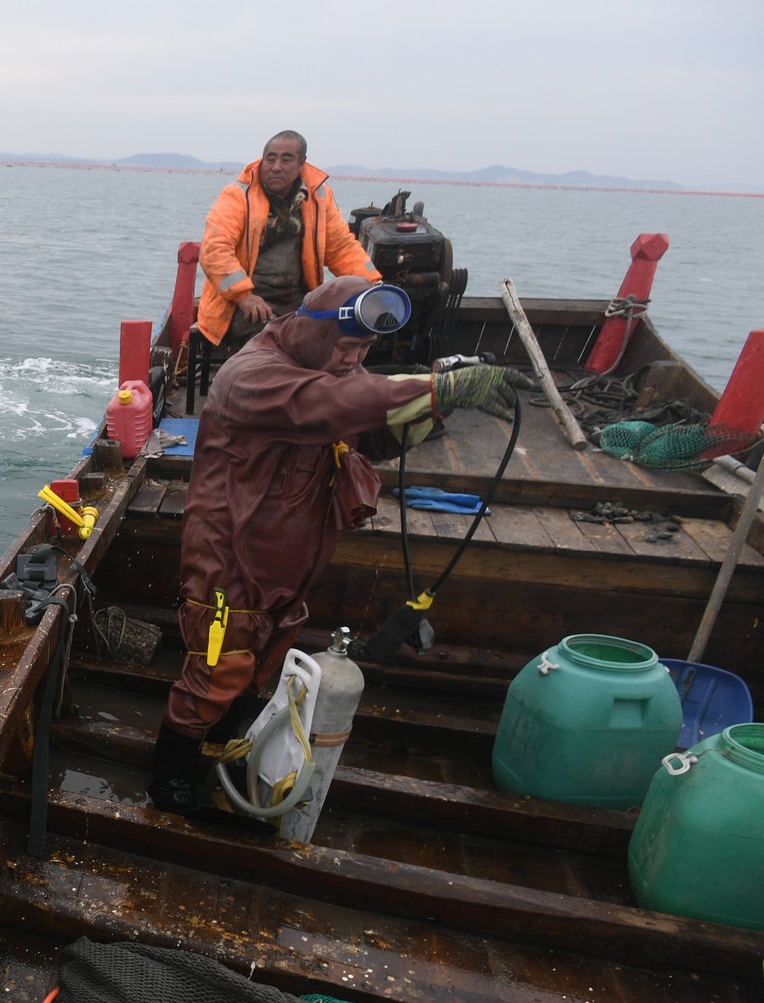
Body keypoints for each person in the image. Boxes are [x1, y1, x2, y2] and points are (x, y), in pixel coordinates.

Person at [150, 276, 535, 819]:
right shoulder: (250, 376)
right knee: (216, 672)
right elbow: (323, 405)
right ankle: (169, 784)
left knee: (260, 665)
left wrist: (430, 411)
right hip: (229, 563)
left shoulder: (332, 373)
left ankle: (221, 752)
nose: (353, 361)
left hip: (289, 564)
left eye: (363, 352)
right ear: (311, 329)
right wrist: (435, 385)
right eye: (347, 347)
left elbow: (368, 433)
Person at [197, 131, 381, 352]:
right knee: (271, 342)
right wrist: (244, 296)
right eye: (271, 158)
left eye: (286, 159)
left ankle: (320, 384)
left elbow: (341, 248)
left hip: (297, 299)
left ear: (301, 164)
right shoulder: (237, 195)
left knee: (335, 335)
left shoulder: (318, 197)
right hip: (240, 302)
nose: (276, 166)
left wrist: (373, 286)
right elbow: (214, 251)